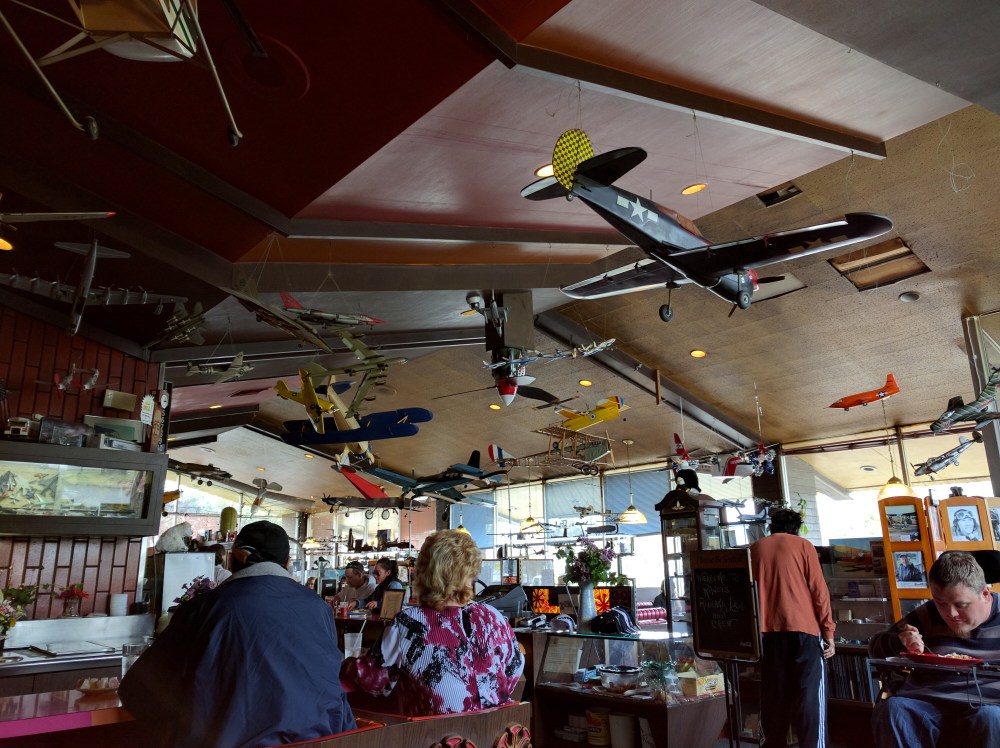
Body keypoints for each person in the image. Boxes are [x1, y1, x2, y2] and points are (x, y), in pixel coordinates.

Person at [119, 520, 355, 748]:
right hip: (324, 740)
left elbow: (139, 690)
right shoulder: (319, 608)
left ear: (234, 558)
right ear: (287, 561)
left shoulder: (207, 607)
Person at [341, 529, 524, 715]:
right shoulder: (494, 617)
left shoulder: (408, 622)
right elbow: (514, 671)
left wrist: (343, 664)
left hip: (434, 737)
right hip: (497, 735)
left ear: (424, 571)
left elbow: (374, 681)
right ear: (471, 573)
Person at [869, 551, 1000, 746]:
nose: (951, 614)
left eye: (961, 604)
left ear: (985, 594)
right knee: (893, 710)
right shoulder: (929, 613)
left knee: (990, 718)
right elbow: (875, 647)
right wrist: (901, 641)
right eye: (941, 603)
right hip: (928, 702)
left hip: (987, 704)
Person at [750, 508, 835, 748]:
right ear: (795, 528)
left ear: (771, 526)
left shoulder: (755, 549)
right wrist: (828, 632)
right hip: (804, 630)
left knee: (774, 695)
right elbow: (819, 591)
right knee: (809, 695)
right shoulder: (803, 546)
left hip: (766, 633)